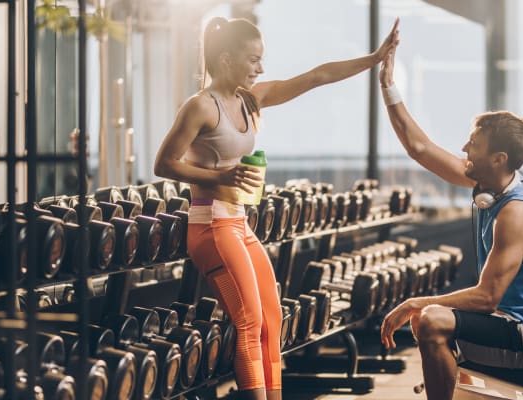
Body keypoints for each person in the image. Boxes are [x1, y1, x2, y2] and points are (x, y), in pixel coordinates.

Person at [153, 17, 399, 400]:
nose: (261, 69)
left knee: (273, 317)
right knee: (249, 322)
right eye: (253, 60)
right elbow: (164, 164)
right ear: (226, 58)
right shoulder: (200, 106)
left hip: (238, 224)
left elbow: (317, 76)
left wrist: (375, 57)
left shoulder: (249, 100)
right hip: (210, 226)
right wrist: (222, 177)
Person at [377, 42, 523, 400]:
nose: (464, 148)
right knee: (428, 318)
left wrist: (413, 302)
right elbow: (420, 148)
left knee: (430, 318)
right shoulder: (487, 186)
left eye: (473, 144)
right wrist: (388, 86)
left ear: (498, 159)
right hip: (505, 324)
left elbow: (486, 298)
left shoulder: (515, 212)